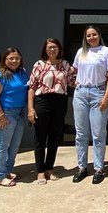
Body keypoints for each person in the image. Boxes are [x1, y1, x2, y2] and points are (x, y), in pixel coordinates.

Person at [72, 26, 108, 184]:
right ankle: (82, 167)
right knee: (81, 134)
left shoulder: (107, 51)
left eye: (94, 34)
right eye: (88, 35)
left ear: (99, 35)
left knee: (98, 134)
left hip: (98, 93)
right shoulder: (81, 52)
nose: (91, 37)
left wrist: (106, 97)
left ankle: (99, 168)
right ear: (85, 37)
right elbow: (74, 70)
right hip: (81, 94)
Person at [27, 38, 74, 185]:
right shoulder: (39, 64)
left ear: (59, 49)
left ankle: (49, 168)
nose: (52, 50)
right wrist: (31, 108)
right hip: (42, 102)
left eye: (54, 47)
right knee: (40, 137)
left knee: (55, 137)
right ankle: (40, 171)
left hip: (60, 102)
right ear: (45, 50)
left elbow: (73, 81)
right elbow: (32, 87)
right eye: (49, 48)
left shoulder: (65, 64)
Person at [0, 47, 29, 187]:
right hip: (5, 113)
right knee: (3, 145)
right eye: (11, 58)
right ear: (5, 60)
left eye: (17, 58)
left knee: (14, 145)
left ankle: (8, 171)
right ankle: (0, 176)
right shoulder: (0, 75)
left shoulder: (22, 73)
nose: (14, 61)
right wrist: (1, 117)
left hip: (19, 113)